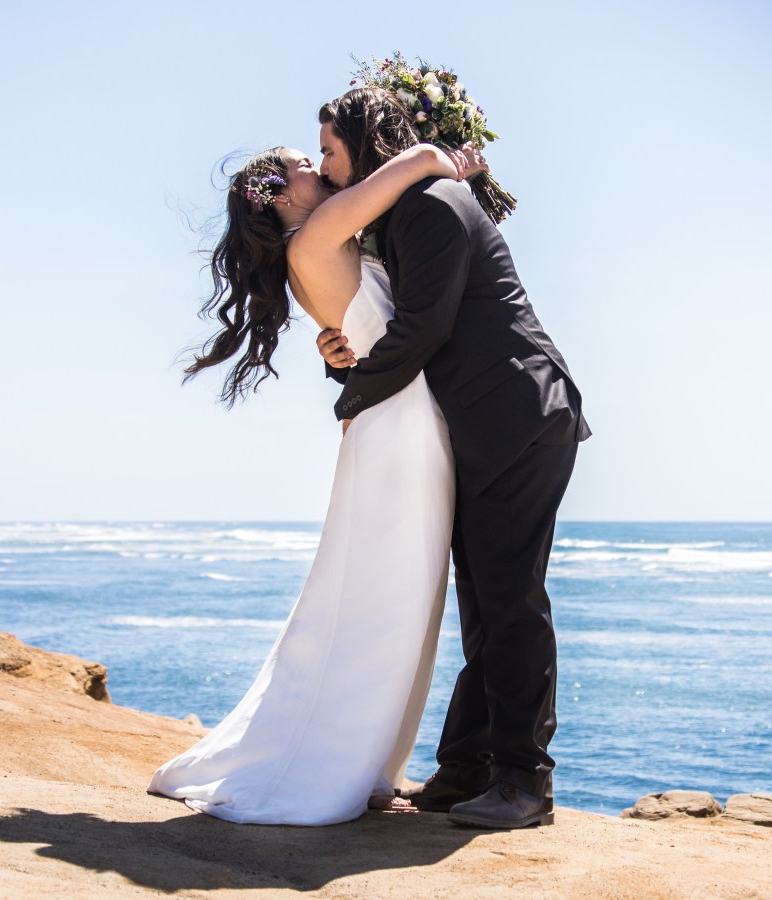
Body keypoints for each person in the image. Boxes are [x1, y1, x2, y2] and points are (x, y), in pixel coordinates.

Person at [148, 140, 485, 825]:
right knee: (384, 596)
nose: (322, 168)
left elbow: (368, 327)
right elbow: (408, 170)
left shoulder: (322, 243)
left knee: (389, 594)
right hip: (400, 426)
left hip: (400, 419)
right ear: (277, 196)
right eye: (307, 162)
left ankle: (354, 754)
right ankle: (330, 761)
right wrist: (435, 150)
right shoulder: (317, 236)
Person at [316, 88, 590, 829]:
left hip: (519, 421)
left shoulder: (431, 205)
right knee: (487, 608)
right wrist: (346, 364)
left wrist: (350, 400)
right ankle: (467, 768)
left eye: (330, 152)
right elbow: (407, 330)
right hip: (492, 428)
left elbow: (426, 329)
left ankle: (525, 783)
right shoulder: (407, 212)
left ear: (368, 143)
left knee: (510, 604)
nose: (323, 167)